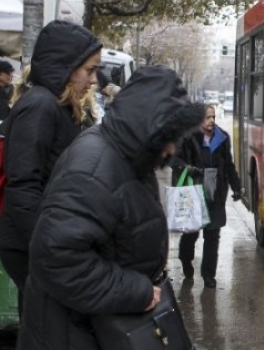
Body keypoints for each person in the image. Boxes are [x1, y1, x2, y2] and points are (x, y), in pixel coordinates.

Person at [17, 66, 206, 350]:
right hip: (75, 334)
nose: (172, 150)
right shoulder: (94, 170)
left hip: (95, 327)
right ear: (147, 126)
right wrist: (138, 292)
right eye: (169, 137)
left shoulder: (127, 156)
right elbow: (56, 258)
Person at [0, 20, 102, 315]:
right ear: (67, 67)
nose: (93, 80)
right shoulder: (40, 106)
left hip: (42, 238)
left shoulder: (56, 106)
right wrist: (49, 247)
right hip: (30, 243)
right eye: (89, 70)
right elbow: (23, 186)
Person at [171, 104, 242, 289]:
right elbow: (174, 160)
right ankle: (186, 261)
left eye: (213, 117)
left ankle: (208, 275)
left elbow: (228, 165)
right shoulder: (187, 137)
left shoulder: (222, 137)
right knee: (191, 235)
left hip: (215, 194)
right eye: (207, 117)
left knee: (213, 236)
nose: (211, 121)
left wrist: (236, 186)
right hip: (193, 193)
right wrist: (189, 168)